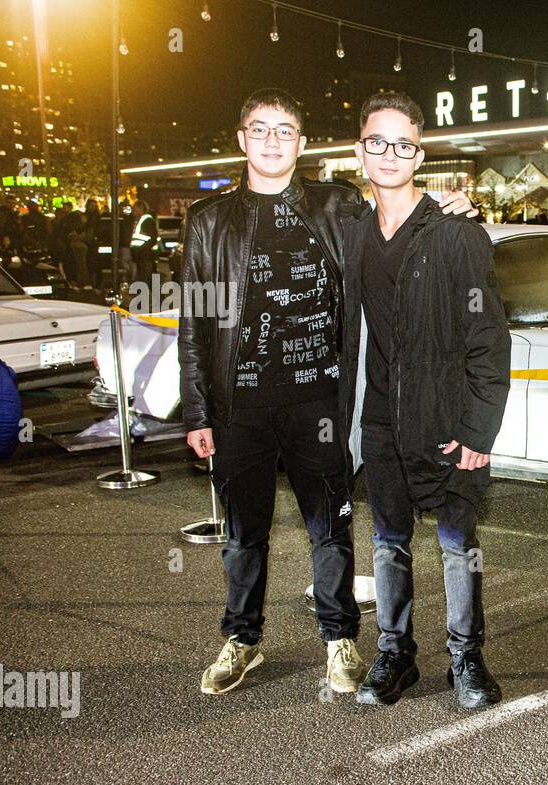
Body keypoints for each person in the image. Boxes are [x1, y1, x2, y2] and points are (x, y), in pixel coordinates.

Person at [178, 88, 478, 697]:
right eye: (259, 130)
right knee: (243, 534)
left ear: (303, 144)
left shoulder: (336, 207)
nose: (271, 141)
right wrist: (197, 409)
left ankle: (340, 638)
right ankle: (243, 639)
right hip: (239, 408)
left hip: (320, 402)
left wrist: (453, 211)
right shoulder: (208, 223)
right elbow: (194, 325)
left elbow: (399, 213)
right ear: (241, 139)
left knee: (330, 530)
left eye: (285, 131)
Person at [341, 91, 510, 711]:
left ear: (420, 153)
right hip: (380, 422)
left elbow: (490, 341)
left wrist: (477, 431)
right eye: (376, 142)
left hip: (446, 419)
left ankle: (466, 657)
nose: (389, 154)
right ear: (360, 151)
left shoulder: (456, 235)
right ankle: (396, 653)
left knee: (459, 545)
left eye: (402, 144)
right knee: (388, 542)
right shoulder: (351, 232)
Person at [129, 200, 159, 284]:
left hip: (145, 256)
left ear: (141, 209)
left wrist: (141, 249)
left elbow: (153, 238)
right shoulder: (139, 220)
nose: (133, 211)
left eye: (135, 209)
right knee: (146, 280)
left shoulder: (147, 220)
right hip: (141, 255)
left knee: (146, 279)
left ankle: (154, 296)